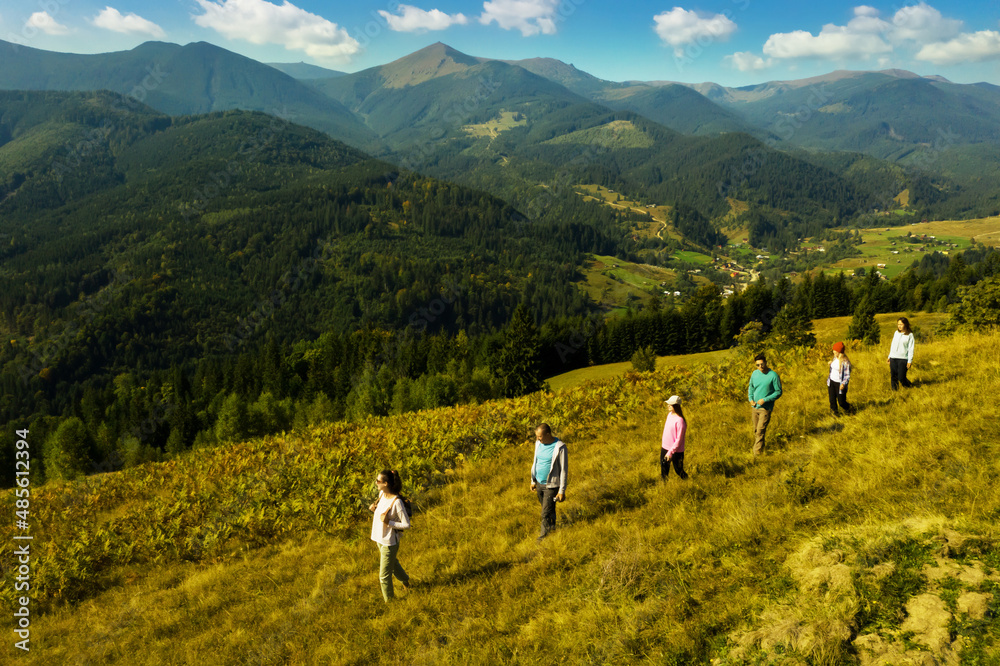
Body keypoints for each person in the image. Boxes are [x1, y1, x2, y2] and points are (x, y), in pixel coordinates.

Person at [368, 469, 411, 602]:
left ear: (386, 483)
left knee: (383, 576)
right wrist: (374, 508)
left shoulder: (396, 502)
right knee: (393, 564)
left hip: (389, 541)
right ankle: (405, 581)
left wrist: (389, 522)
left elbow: (406, 525)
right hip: (379, 538)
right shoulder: (381, 494)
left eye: (378, 481)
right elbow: (380, 513)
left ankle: (390, 603)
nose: (376, 483)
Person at [529, 423, 567, 541]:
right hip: (539, 483)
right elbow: (536, 462)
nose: (538, 439)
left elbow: (564, 470)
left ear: (548, 434)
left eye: (540, 436)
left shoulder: (559, 447)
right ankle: (552, 529)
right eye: (537, 436)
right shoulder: (538, 444)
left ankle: (543, 538)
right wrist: (533, 480)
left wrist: (561, 491)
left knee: (545, 513)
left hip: (551, 485)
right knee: (548, 509)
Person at [747, 353, 782, 456]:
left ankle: (756, 455)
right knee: (756, 431)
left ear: (766, 363)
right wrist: (750, 399)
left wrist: (765, 400)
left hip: (765, 408)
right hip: (754, 407)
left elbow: (778, 391)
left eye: (762, 364)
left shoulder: (773, 375)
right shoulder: (755, 373)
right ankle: (762, 450)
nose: (760, 367)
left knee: (760, 431)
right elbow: (751, 387)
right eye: (757, 365)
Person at [660, 395, 688, 481]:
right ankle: (664, 488)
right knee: (664, 470)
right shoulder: (669, 415)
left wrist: (670, 453)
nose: (668, 406)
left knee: (678, 470)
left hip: (676, 451)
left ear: (676, 406)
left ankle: (688, 482)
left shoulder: (680, 421)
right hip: (665, 447)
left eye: (670, 404)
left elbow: (678, 440)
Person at [887, 317, 915, 390]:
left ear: (905, 324)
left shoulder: (910, 335)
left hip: (903, 359)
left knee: (901, 377)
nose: (899, 326)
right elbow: (892, 345)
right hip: (893, 357)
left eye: (901, 324)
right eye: (898, 324)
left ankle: (909, 386)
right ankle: (895, 392)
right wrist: (889, 356)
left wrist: (909, 361)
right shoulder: (896, 333)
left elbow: (911, 349)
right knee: (893, 376)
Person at [827, 342, 853, 416]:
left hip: (839, 384)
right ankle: (834, 414)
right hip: (831, 381)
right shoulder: (835, 357)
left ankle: (850, 409)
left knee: (841, 402)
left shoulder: (845, 362)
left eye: (834, 350)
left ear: (839, 351)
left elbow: (847, 375)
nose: (833, 351)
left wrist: (843, 384)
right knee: (832, 400)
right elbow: (835, 366)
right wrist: (831, 363)